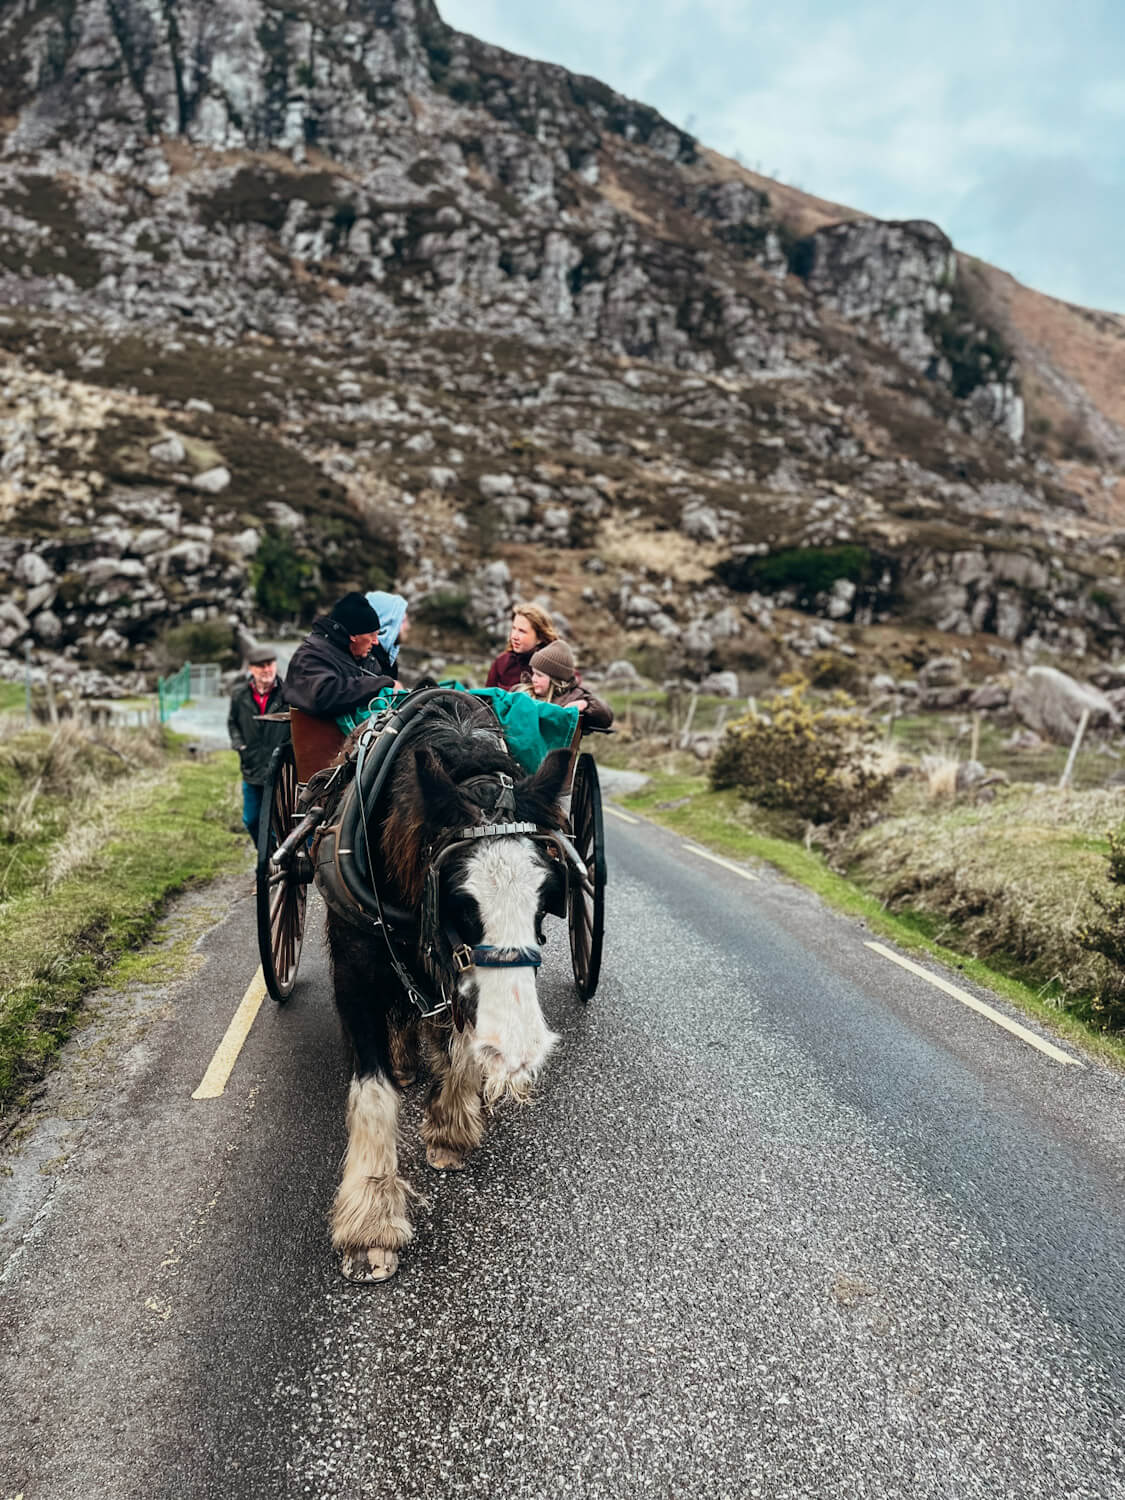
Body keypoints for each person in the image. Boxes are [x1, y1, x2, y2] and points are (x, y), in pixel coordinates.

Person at [284, 592, 399, 720]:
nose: (376, 641)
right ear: (353, 636)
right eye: (371, 635)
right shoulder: (310, 655)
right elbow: (323, 695)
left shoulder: (365, 658)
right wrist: (382, 683)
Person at [228, 646, 291, 842]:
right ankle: (268, 855)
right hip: (252, 766)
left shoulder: (288, 694)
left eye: (270, 664)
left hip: (279, 770)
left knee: (279, 822)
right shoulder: (240, 695)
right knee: (252, 820)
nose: (267, 670)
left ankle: (273, 864)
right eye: (261, 666)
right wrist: (239, 744)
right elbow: (233, 722)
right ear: (251, 669)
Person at [528, 640, 614, 729]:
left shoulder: (573, 698)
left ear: (556, 680)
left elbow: (606, 718)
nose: (533, 679)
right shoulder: (522, 690)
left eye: (539, 675)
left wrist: (586, 704)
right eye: (533, 673)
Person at [485, 603, 559, 689]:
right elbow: (486, 699)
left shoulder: (554, 665)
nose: (514, 636)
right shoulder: (501, 662)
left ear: (540, 638)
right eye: (513, 628)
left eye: (522, 631)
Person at [364, 590, 411, 669]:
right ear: (386, 622)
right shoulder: (366, 663)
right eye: (402, 621)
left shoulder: (387, 661)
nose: (408, 627)